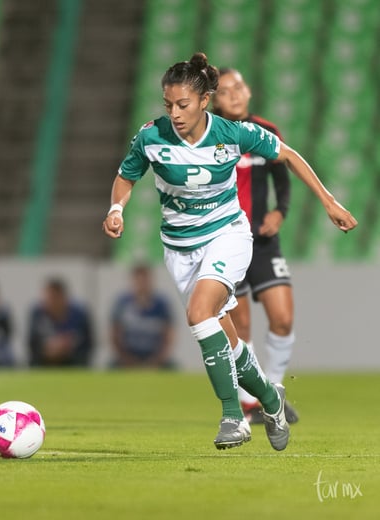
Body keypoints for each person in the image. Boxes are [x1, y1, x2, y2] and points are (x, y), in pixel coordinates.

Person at [103, 53, 357, 451]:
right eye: (168, 105)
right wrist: (116, 209)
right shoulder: (151, 137)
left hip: (228, 236)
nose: (175, 113)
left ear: (205, 100)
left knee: (199, 314)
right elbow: (125, 176)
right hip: (179, 248)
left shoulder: (233, 133)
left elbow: (287, 155)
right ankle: (271, 400)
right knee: (227, 340)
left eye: (183, 105)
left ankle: (232, 417)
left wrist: (329, 202)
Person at [212, 68, 298, 424]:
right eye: (225, 90)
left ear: (248, 91)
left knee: (283, 317)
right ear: (213, 99)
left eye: (239, 86)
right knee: (241, 326)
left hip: (263, 242)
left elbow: (284, 175)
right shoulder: (210, 134)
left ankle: (273, 390)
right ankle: (251, 403)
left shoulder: (267, 131)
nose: (234, 94)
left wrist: (280, 211)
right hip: (227, 241)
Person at [110, 264, 175, 368]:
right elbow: (114, 335)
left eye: (144, 280)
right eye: (138, 280)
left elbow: (169, 336)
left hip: (155, 359)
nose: (142, 284)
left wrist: (156, 361)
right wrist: (127, 360)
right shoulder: (122, 303)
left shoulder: (161, 304)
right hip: (127, 359)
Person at [28, 278, 93, 367]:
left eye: (55, 297)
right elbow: (32, 343)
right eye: (48, 297)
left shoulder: (79, 315)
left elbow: (88, 343)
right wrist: (48, 350)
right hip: (44, 360)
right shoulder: (37, 314)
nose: (51, 302)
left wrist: (67, 348)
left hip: (73, 361)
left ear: (63, 297)